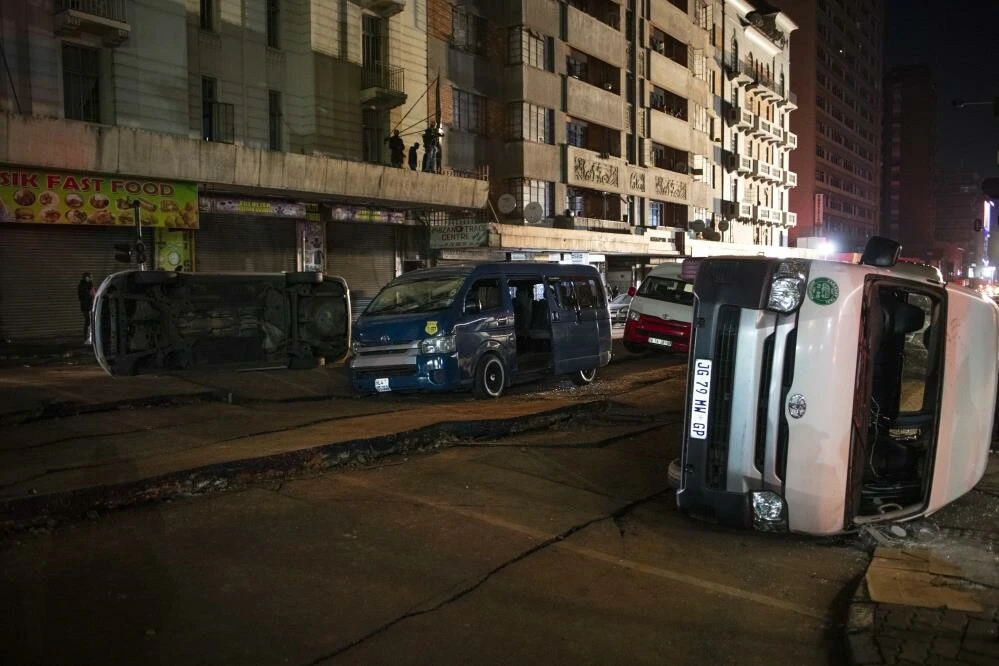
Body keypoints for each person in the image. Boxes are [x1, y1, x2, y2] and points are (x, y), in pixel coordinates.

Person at [77, 272, 95, 344]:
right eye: (90, 277)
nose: (91, 278)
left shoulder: (89, 284)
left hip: (90, 305)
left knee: (90, 322)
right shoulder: (82, 285)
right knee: (88, 322)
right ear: (86, 277)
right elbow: (83, 296)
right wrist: (90, 294)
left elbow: (93, 294)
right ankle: (86, 338)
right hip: (85, 306)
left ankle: (90, 338)